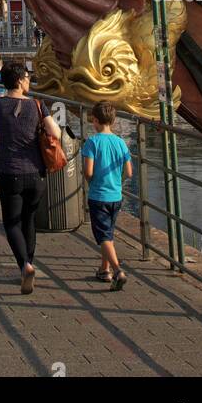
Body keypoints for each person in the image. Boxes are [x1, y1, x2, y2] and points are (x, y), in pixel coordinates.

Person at [0, 60, 61, 295]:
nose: (29, 81)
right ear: (20, 81)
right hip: (35, 173)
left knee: (11, 223)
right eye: (27, 78)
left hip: (9, 172)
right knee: (29, 220)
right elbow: (56, 132)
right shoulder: (38, 106)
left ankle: (24, 265)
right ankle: (29, 263)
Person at [82, 101, 132, 290]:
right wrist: (117, 181)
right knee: (108, 233)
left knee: (102, 236)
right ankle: (105, 269)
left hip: (98, 195)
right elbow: (129, 171)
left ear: (94, 120)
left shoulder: (92, 142)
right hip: (116, 196)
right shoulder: (120, 142)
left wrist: (92, 181)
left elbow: (88, 171)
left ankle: (118, 270)